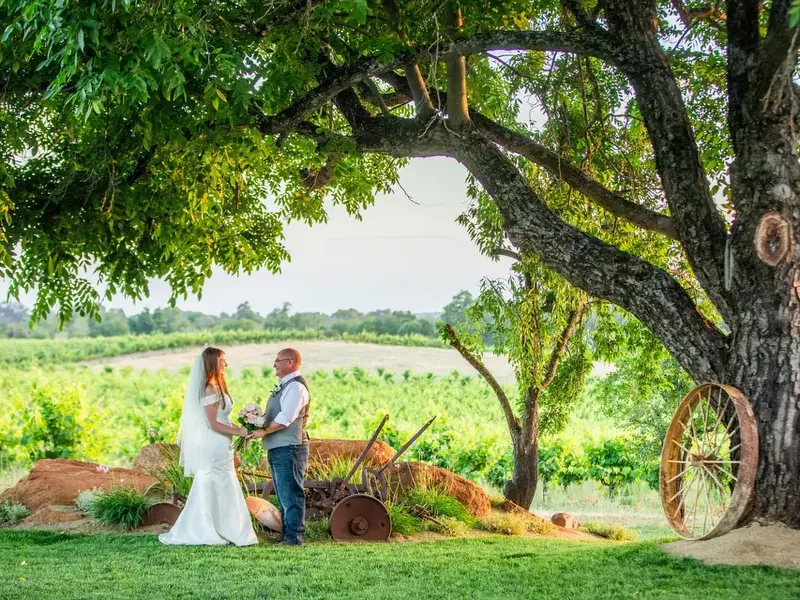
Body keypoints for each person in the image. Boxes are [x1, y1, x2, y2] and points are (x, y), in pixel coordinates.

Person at [159, 347, 257, 547]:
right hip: (214, 442)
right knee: (211, 479)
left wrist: (242, 429)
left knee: (225, 480)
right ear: (213, 362)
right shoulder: (210, 388)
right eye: (222, 361)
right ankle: (204, 528)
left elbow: (224, 419)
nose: (226, 364)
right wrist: (238, 433)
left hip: (223, 442)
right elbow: (212, 423)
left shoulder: (219, 386)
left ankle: (228, 528)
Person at [247, 348, 310, 546]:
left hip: (290, 447)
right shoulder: (286, 386)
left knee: (290, 493)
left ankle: (294, 537)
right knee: (283, 493)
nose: (274, 364)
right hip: (280, 447)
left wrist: (263, 431)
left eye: (278, 360)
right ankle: (287, 534)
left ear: (290, 362)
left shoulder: (296, 388)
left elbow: (285, 419)